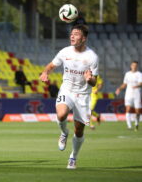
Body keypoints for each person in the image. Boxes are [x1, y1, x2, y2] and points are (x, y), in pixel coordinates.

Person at [39, 24, 99, 169]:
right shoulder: (65, 52)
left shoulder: (92, 57)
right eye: (71, 33)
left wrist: (89, 79)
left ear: (84, 38)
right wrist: (45, 72)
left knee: (79, 131)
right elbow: (51, 65)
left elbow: (94, 81)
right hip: (67, 90)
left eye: (76, 34)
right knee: (61, 114)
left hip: (83, 95)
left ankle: (73, 157)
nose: (72, 36)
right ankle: (64, 132)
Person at [115, 61, 142, 131]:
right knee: (128, 109)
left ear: (137, 66)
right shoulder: (127, 74)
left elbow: (141, 83)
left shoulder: (139, 74)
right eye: (133, 65)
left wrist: (136, 86)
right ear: (131, 66)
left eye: (135, 65)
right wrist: (119, 89)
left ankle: (136, 124)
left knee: (138, 111)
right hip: (128, 94)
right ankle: (129, 126)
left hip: (137, 94)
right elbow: (125, 84)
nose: (134, 66)